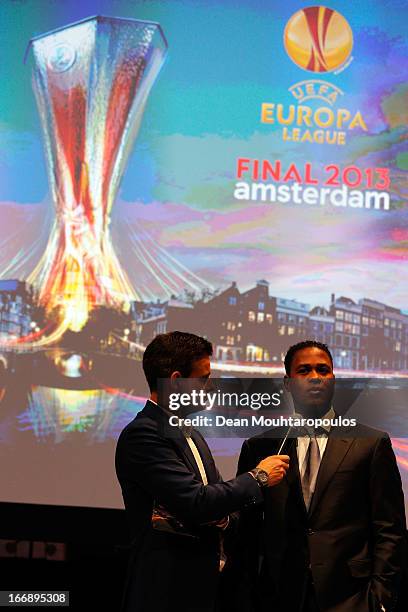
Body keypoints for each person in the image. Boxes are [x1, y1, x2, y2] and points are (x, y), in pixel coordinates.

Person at [115, 331, 289, 612]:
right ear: (175, 380)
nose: (211, 387)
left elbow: (215, 502)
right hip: (167, 592)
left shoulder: (191, 433)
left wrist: (220, 516)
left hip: (204, 587)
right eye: (204, 378)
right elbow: (196, 502)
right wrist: (259, 476)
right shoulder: (143, 434)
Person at [227, 340, 406, 612]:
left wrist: (381, 597)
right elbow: (248, 533)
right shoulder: (259, 447)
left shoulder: (371, 443)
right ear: (287, 383)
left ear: (334, 379)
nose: (315, 378)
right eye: (304, 370)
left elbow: (389, 528)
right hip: (279, 596)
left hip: (352, 597)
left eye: (323, 370)